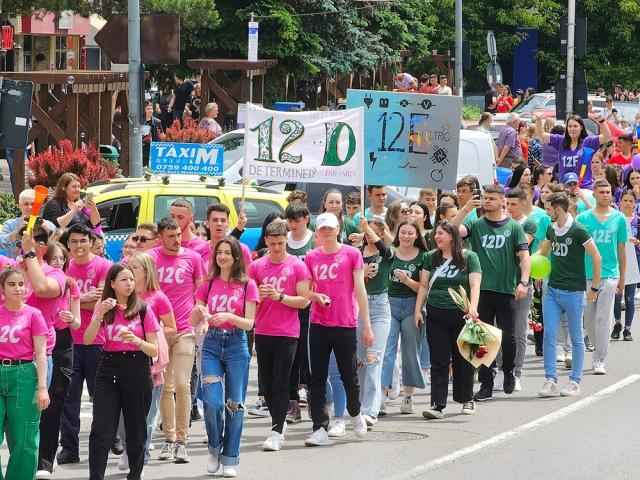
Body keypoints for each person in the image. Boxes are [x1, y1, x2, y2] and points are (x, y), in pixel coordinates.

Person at [453, 184, 530, 401]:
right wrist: (465, 208)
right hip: (481, 291)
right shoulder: (476, 224)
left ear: (503, 201)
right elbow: (451, 230)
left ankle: (508, 371)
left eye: (492, 198)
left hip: (506, 291)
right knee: (482, 339)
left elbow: (524, 257)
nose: (487, 202)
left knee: (509, 337)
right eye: (485, 198)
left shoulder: (514, 227)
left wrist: (523, 282)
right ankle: (486, 382)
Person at [84, 263, 160, 480]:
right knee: (101, 429)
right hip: (108, 368)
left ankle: (134, 475)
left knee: (136, 429)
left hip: (137, 367)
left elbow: (154, 348)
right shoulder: (105, 307)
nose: (129, 284)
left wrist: (137, 341)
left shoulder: (142, 308)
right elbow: (88, 339)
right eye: (124, 280)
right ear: (112, 283)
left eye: (132, 279)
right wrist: (100, 313)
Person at [303, 212, 373, 446]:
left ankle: (355, 413)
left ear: (338, 228)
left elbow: (360, 290)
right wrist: (315, 296)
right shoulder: (311, 257)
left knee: (348, 375)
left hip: (345, 323)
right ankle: (320, 427)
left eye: (331, 228)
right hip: (319, 323)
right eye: (323, 229)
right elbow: (304, 292)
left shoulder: (352, 254)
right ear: (318, 232)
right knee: (318, 378)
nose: (327, 232)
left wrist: (367, 326)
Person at [190, 236, 258, 476]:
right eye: (219, 252)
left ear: (236, 256)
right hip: (210, 344)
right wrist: (199, 312)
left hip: (236, 344)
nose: (222, 256)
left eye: (227, 252)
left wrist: (228, 316)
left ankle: (230, 457)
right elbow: (193, 319)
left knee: (235, 404)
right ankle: (214, 447)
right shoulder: (207, 284)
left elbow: (250, 323)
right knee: (212, 402)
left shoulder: (248, 285)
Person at [248, 221, 311, 451]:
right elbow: (247, 298)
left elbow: (304, 300)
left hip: (288, 332)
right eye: (272, 243)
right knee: (267, 384)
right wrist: (261, 297)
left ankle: (275, 430)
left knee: (281, 381)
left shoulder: (297, 266)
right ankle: (278, 422)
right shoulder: (256, 266)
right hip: (263, 331)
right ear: (266, 241)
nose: (276, 247)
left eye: (280, 243)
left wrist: (280, 297)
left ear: (287, 240)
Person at [150, 217, 206, 463]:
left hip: (184, 330)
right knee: (165, 386)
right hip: (159, 332)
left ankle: (182, 440)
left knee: (182, 385)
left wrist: (201, 319)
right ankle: (169, 439)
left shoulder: (192, 258)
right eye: (170, 236)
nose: (176, 240)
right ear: (160, 237)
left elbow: (201, 292)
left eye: (178, 235)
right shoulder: (150, 257)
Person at [536, 193, 602, 397]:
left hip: (574, 291)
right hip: (553, 289)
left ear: (559, 208)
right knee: (548, 333)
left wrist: (594, 288)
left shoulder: (579, 230)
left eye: (549, 209)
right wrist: (530, 265)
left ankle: (574, 381)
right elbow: (544, 252)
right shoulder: (550, 228)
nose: (547, 213)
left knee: (576, 337)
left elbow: (596, 257)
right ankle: (550, 379)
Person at [58, 224, 113, 465]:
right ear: (67, 244)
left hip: (97, 340)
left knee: (100, 395)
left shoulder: (104, 266)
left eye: (83, 241)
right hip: (69, 341)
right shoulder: (64, 267)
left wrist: (75, 300)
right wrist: (85, 299)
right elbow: (59, 305)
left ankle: (110, 438)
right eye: (74, 242)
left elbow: (104, 301)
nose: (78, 246)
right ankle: (69, 447)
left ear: (91, 242)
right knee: (68, 398)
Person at [118, 252, 176, 471]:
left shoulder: (158, 297)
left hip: (150, 364)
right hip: (123, 362)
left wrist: (151, 331)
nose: (130, 272)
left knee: (147, 415)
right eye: (128, 268)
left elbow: (172, 327)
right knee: (123, 414)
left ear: (146, 271)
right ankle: (127, 447)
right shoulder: (122, 297)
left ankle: (141, 453)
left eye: (134, 268)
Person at [417, 221, 481, 418]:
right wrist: (418, 310)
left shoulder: (469, 256)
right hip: (436, 313)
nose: (436, 237)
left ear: (452, 236)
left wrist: (473, 309)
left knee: (463, 358)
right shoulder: (430, 257)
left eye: (440, 234)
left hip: (460, 314)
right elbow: (424, 286)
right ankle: (437, 404)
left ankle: (467, 399)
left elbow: (475, 285)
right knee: (439, 360)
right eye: (435, 234)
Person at [36, 241, 81, 478]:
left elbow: (77, 323)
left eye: (62, 259)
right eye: (53, 258)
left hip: (62, 342)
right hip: (35, 340)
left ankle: (46, 458)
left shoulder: (70, 285)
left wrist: (71, 317)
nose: (58, 262)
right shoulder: (34, 281)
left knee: (55, 400)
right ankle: (33, 454)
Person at [0, 268, 50, 480]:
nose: (17, 288)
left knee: (25, 436)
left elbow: (41, 353)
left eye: (21, 284)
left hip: (24, 375)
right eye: (12, 284)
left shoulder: (33, 314)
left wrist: (42, 387)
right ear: (2, 288)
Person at [577, 179, 627, 375]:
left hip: (610, 273)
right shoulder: (583, 218)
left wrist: (623, 277)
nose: (606, 195)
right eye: (602, 192)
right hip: (587, 274)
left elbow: (622, 249)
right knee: (588, 318)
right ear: (595, 195)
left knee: (603, 317)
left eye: (608, 192)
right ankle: (597, 347)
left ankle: (599, 358)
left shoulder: (619, 218)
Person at [380, 219, 427, 414]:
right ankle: (381, 397)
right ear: (397, 234)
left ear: (417, 235)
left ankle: (407, 397)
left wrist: (407, 281)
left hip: (412, 306)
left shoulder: (424, 257)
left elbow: (424, 287)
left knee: (410, 353)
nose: (406, 236)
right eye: (403, 232)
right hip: (389, 304)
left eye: (410, 233)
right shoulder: (390, 253)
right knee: (387, 352)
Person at [356, 217, 394, 424]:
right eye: (368, 232)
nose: (371, 236)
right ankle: (363, 403)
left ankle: (370, 410)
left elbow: (385, 247)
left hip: (380, 306)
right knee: (360, 359)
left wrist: (366, 230)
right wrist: (362, 274)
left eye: (375, 232)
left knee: (373, 358)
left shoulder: (386, 255)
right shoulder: (356, 255)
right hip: (359, 307)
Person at [500, 188, 537, 391]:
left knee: (519, 330)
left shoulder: (528, 223)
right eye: (507, 204)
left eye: (513, 204)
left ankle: (517, 372)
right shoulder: (500, 222)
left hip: (522, 284)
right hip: (500, 285)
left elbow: (518, 247)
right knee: (498, 330)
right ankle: (499, 370)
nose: (509, 208)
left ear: (524, 204)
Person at [284, 203, 316, 421]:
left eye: (297, 220)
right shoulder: (283, 241)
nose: (293, 225)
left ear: (306, 219)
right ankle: (292, 404)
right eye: (290, 221)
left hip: (310, 308)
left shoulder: (315, 239)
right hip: (287, 306)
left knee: (309, 357)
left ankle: (315, 400)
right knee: (291, 360)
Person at [536, 113, 611, 191]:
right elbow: (540, 134)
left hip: (584, 187)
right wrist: (538, 119)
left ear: (581, 127)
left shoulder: (588, 142)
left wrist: (602, 121)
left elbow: (607, 136)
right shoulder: (560, 141)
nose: (572, 129)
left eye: (575, 126)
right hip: (564, 188)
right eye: (570, 126)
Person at [612, 190, 640, 341]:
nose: (628, 203)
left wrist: (637, 242)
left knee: (629, 298)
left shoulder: (638, 220)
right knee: (617, 296)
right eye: (625, 200)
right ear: (620, 201)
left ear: (635, 203)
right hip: (616, 260)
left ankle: (628, 329)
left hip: (634, 261)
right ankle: (617, 323)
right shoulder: (615, 219)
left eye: (631, 200)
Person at [0, 188, 56, 258]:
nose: (30, 207)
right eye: (26, 204)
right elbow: (1, 244)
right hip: (16, 266)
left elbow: (56, 248)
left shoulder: (49, 225)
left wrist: (47, 232)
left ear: (39, 205)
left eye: (33, 204)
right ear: (19, 206)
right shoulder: (10, 224)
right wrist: (17, 231)